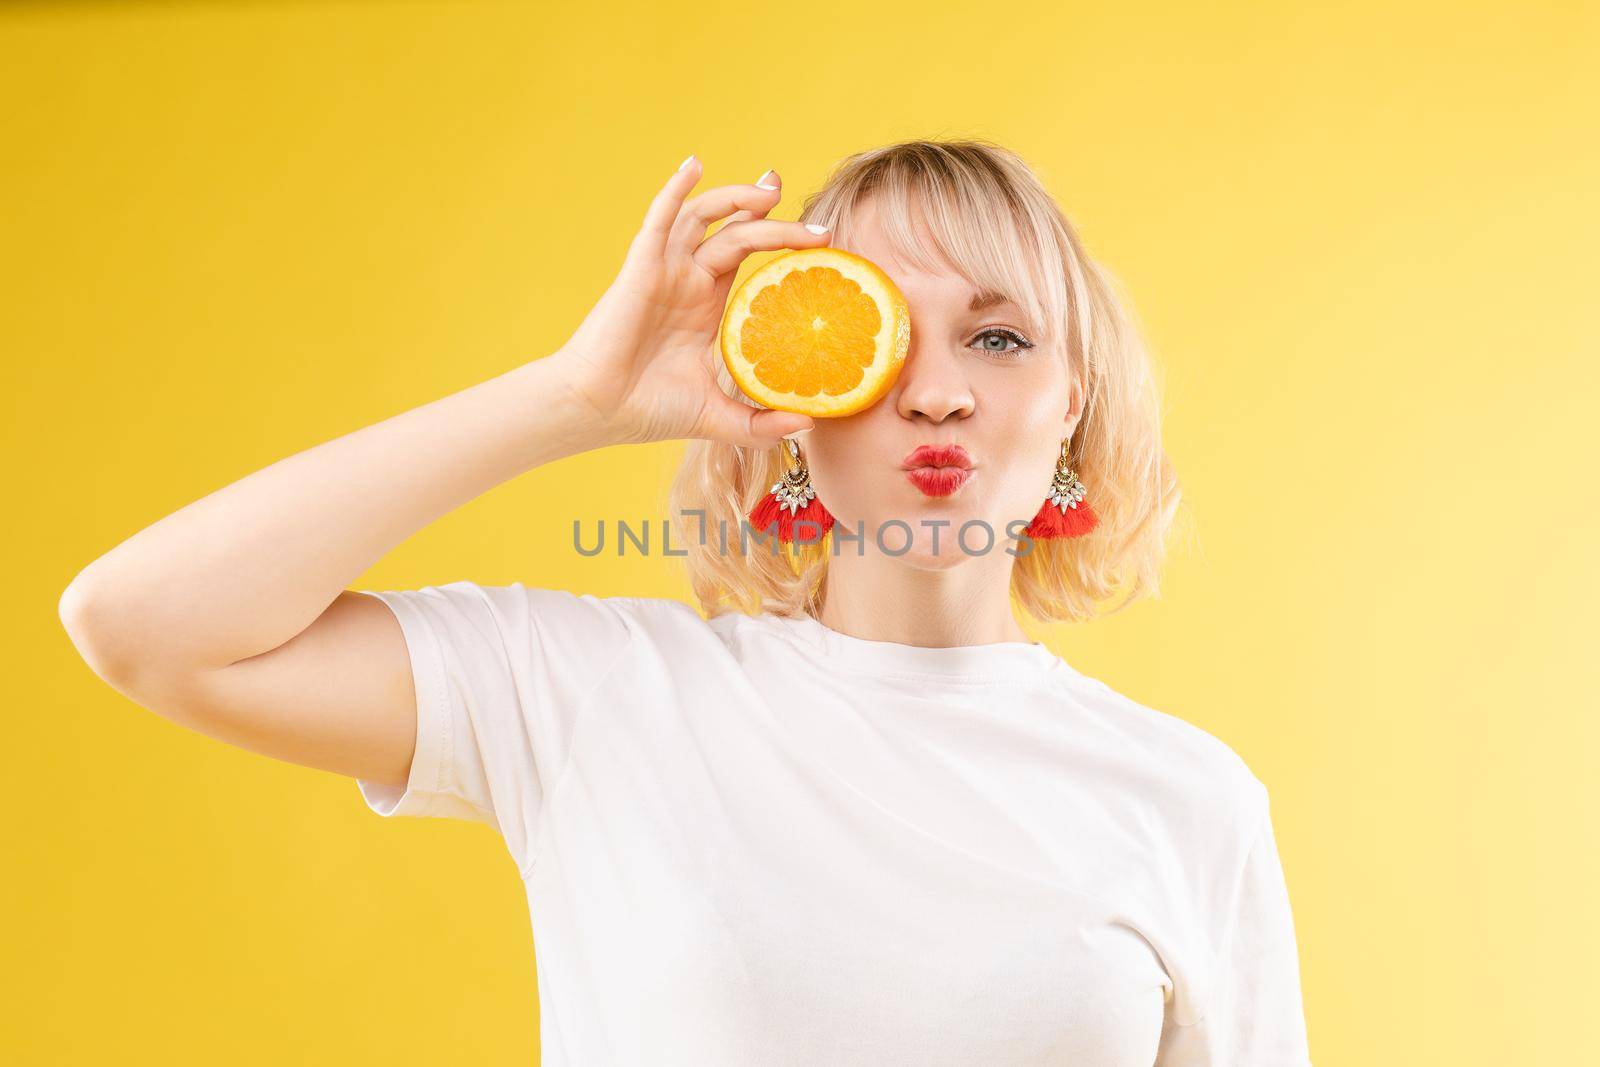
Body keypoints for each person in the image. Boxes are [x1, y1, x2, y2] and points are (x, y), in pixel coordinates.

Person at [58, 139, 1313, 1066]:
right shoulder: (596, 695)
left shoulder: (1187, 800)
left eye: (997, 338)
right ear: (790, 393)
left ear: (1073, 399)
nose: (936, 395)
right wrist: (577, 397)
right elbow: (141, 624)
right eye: (873, 335)